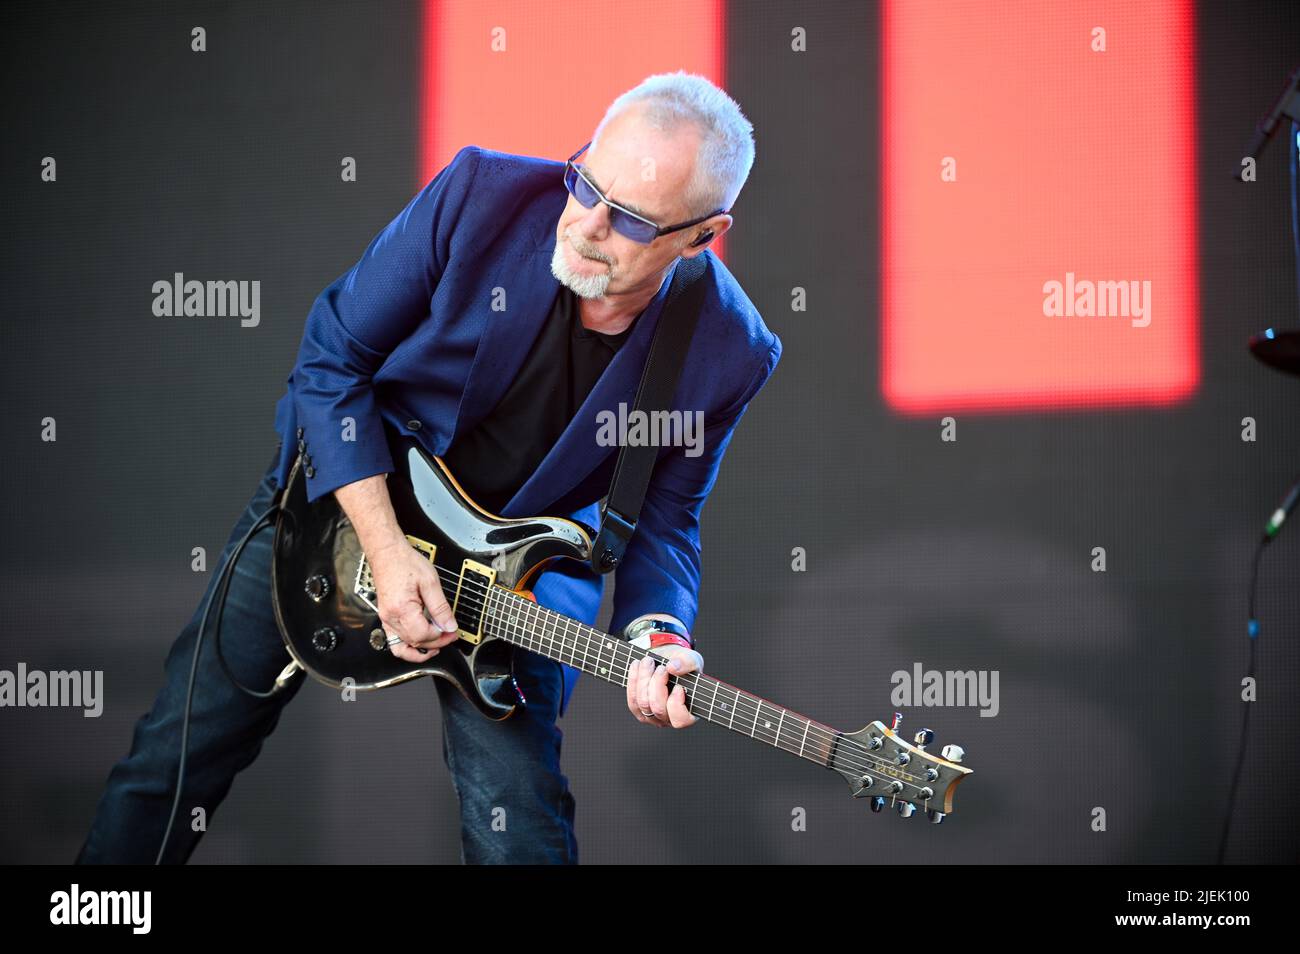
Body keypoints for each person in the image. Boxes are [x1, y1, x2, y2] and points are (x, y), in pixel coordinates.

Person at [75, 70, 781, 865]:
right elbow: (331, 358)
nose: (586, 224)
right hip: (343, 506)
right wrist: (384, 546)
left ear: (701, 234)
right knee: (171, 764)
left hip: (515, 584)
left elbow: (666, 522)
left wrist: (657, 631)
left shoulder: (730, 350)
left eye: (631, 220)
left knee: (520, 820)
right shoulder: (482, 195)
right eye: (586, 181)